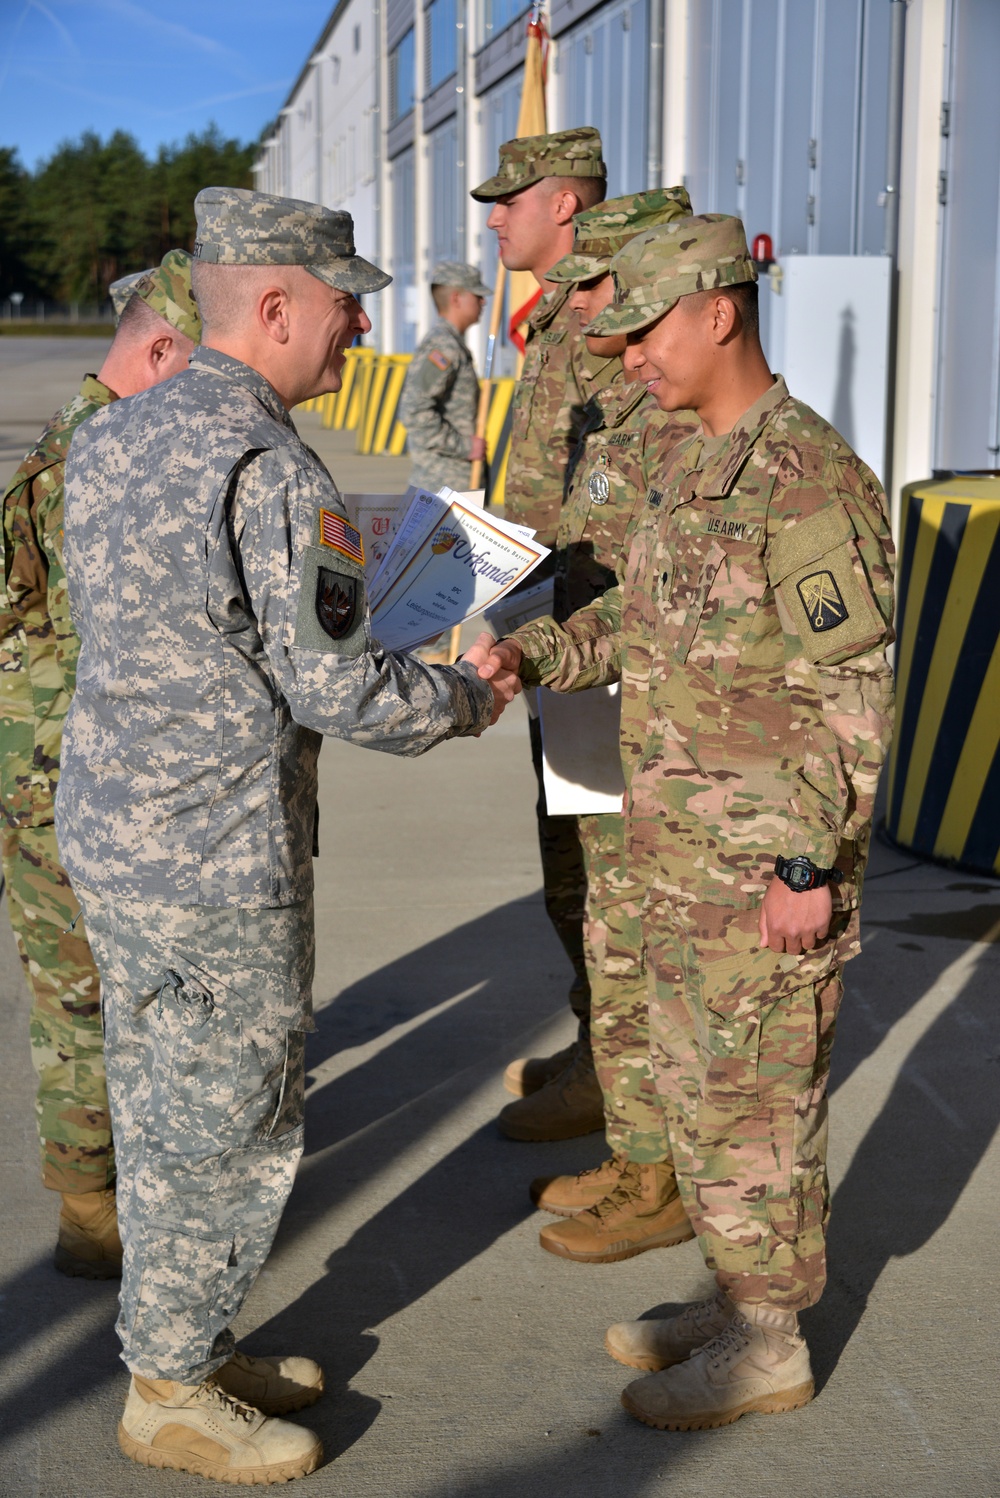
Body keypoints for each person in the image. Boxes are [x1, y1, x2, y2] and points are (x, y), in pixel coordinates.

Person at [55, 187, 519, 1484]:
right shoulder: (270, 465)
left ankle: (181, 1344)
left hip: (112, 837)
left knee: (156, 1109)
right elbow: (336, 684)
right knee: (230, 1126)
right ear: (273, 306)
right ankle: (169, 1387)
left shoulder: (111, 441)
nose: (360, 321)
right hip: (214, 859)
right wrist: (472, 693)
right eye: (342, 299)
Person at [478, 215, 895, 1429]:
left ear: (719, 313)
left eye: (645, 329)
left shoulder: (807, 477)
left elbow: (855, 694)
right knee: (699, 1092)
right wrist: (537, 649)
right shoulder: (683, 461)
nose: (630, 358)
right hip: (673, 852)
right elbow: (638, 629)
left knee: (758, 1103)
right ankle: (732, 1297)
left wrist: (810, 863)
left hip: (763, 866)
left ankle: (770, 1340)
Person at [0, 250, 200, 1280]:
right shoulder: (105, 458)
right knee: (88, 994)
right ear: (159, 348)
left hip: (44, 757)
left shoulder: (80, 437)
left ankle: (100, 1189)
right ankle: (91, 1209)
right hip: (68, 771)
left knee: (80, 991)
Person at [524, 190, 702, 1264]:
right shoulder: (620, 406)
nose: (580, 306)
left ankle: (658, 1168)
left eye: (596, 285)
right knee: (600, 919)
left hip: (635, 705)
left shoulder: (671, 422)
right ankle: (638, 1151)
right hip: (586, 681)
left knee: (635, 936)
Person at [471, 125, 609, 1142]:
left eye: (508, 201)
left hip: (595, 627)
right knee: (565, 852)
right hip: (547, 616)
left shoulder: (608, 314)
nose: (493, 219)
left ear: (564, 203)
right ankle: (600, 1043)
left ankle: (621, 1079)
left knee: (599, 861)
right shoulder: (555, 316)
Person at [399, 259, 491, 494]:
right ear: (456, 299)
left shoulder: (452, 343)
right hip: (442, 486)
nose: (483, 301)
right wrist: (465, 447)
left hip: (455, 485)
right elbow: (414, 411)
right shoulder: (443, 347)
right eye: (476, 295)